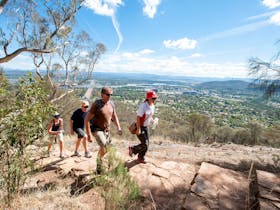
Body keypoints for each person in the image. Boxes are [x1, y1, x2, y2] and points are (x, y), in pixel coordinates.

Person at [85, 86, 122, 174]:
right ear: (102, 95)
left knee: (103, 149)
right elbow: (86, 119)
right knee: (106, 147)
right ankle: (107, 164)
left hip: (107, 131)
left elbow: (114, 116)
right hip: (97, 130)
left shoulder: (111, 104)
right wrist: (89, 134)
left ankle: (99, 165)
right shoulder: (97, 104)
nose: (110, 96)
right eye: (108, 94)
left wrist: (118, 127)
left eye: (111, 95)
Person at [128, 90, 158, 164]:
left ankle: (140, 157)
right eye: (153, 98)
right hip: (140, 126)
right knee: (145, 144)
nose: (154, 100)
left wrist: (153, 121)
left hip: (146, 126)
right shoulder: (143, 106)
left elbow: (149, 116)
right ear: (148, 98)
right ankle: (133, 149)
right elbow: (138, 117)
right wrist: (138, 129)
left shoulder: (152, 106)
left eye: (155, 98)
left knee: (146, 144)